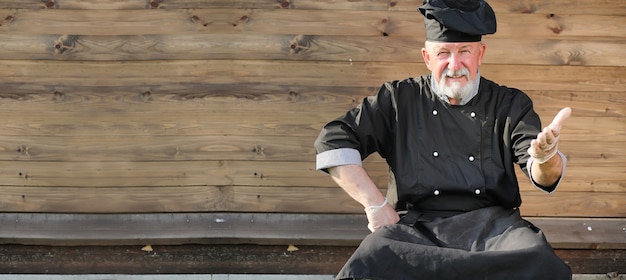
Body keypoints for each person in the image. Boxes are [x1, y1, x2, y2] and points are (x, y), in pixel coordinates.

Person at [313, 0, 573, 279]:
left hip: (496, 231)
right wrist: (375, 204)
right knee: (370, 260)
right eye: (443, 54)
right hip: (415, 229)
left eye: (464, 52)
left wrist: (546, 158)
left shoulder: (510, 104)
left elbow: (542, 173)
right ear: (427, 57)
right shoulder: (399, 99)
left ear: (480, 54)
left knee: (539, 259)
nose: (454, 65)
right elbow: (334, 140)